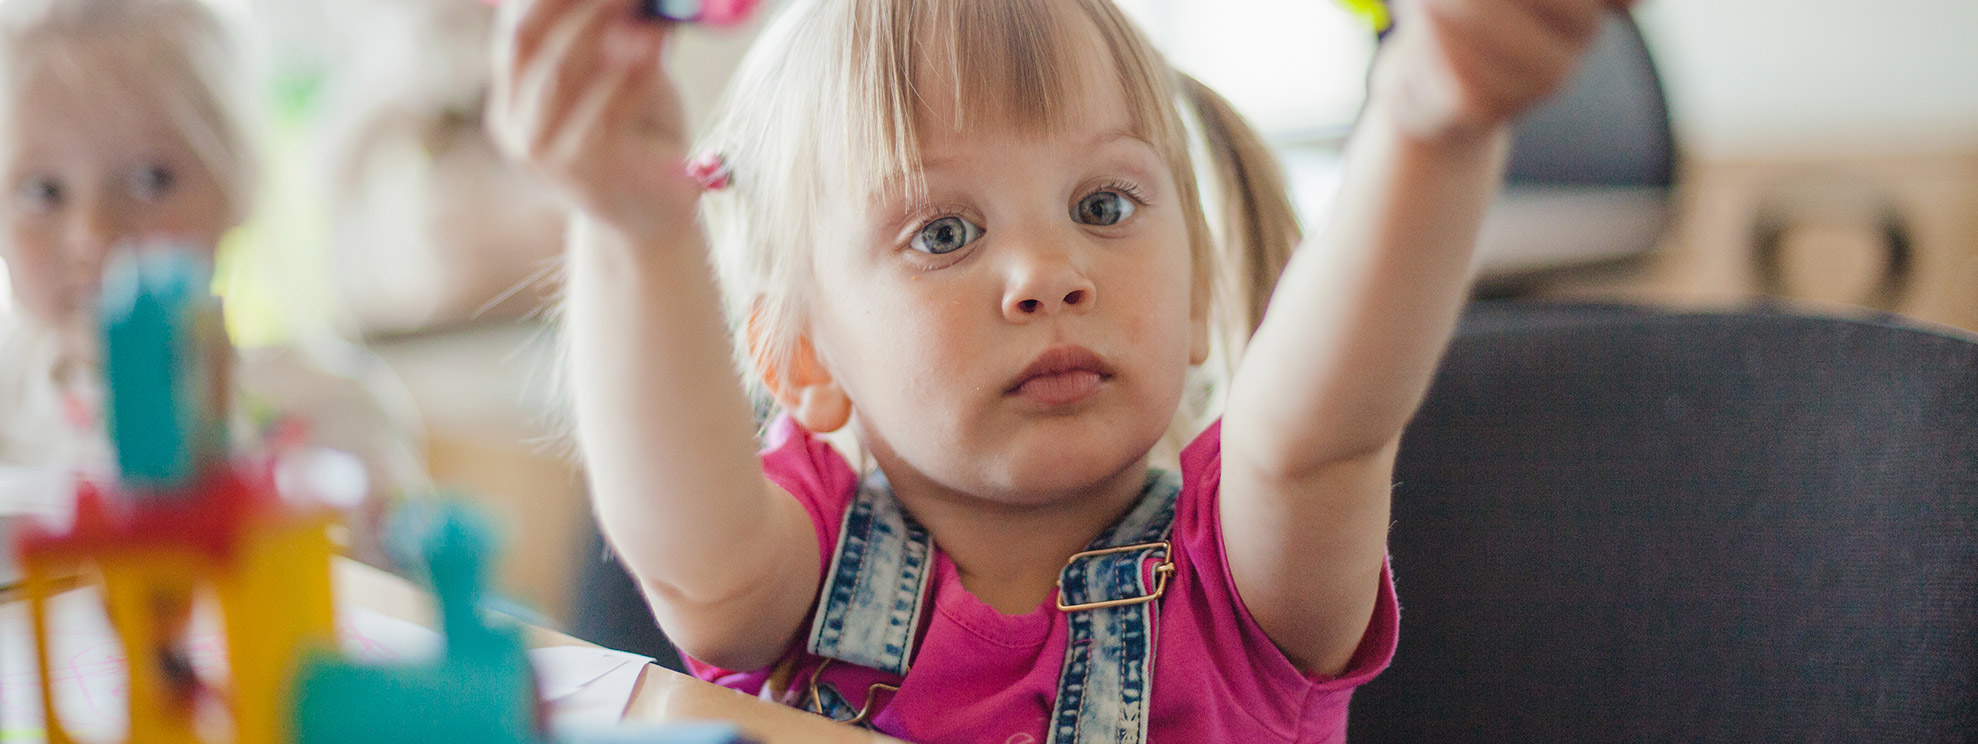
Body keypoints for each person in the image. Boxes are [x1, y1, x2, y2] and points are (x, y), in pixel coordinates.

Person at [489, 0, 1626, 740]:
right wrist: (635, 225)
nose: (1046, 272)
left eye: (1103, 206)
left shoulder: (1246, 581)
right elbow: (689, 553)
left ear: (1195, 300)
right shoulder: (801, 570)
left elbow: (1314, 430)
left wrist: (1431, 119)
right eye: (943, 233)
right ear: (800, 358)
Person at [0, 0, 428, 566]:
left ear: (239, 188)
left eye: (152, 180)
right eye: (43, 191)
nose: (92, 235)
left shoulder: (333, 413)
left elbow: (407, 607)